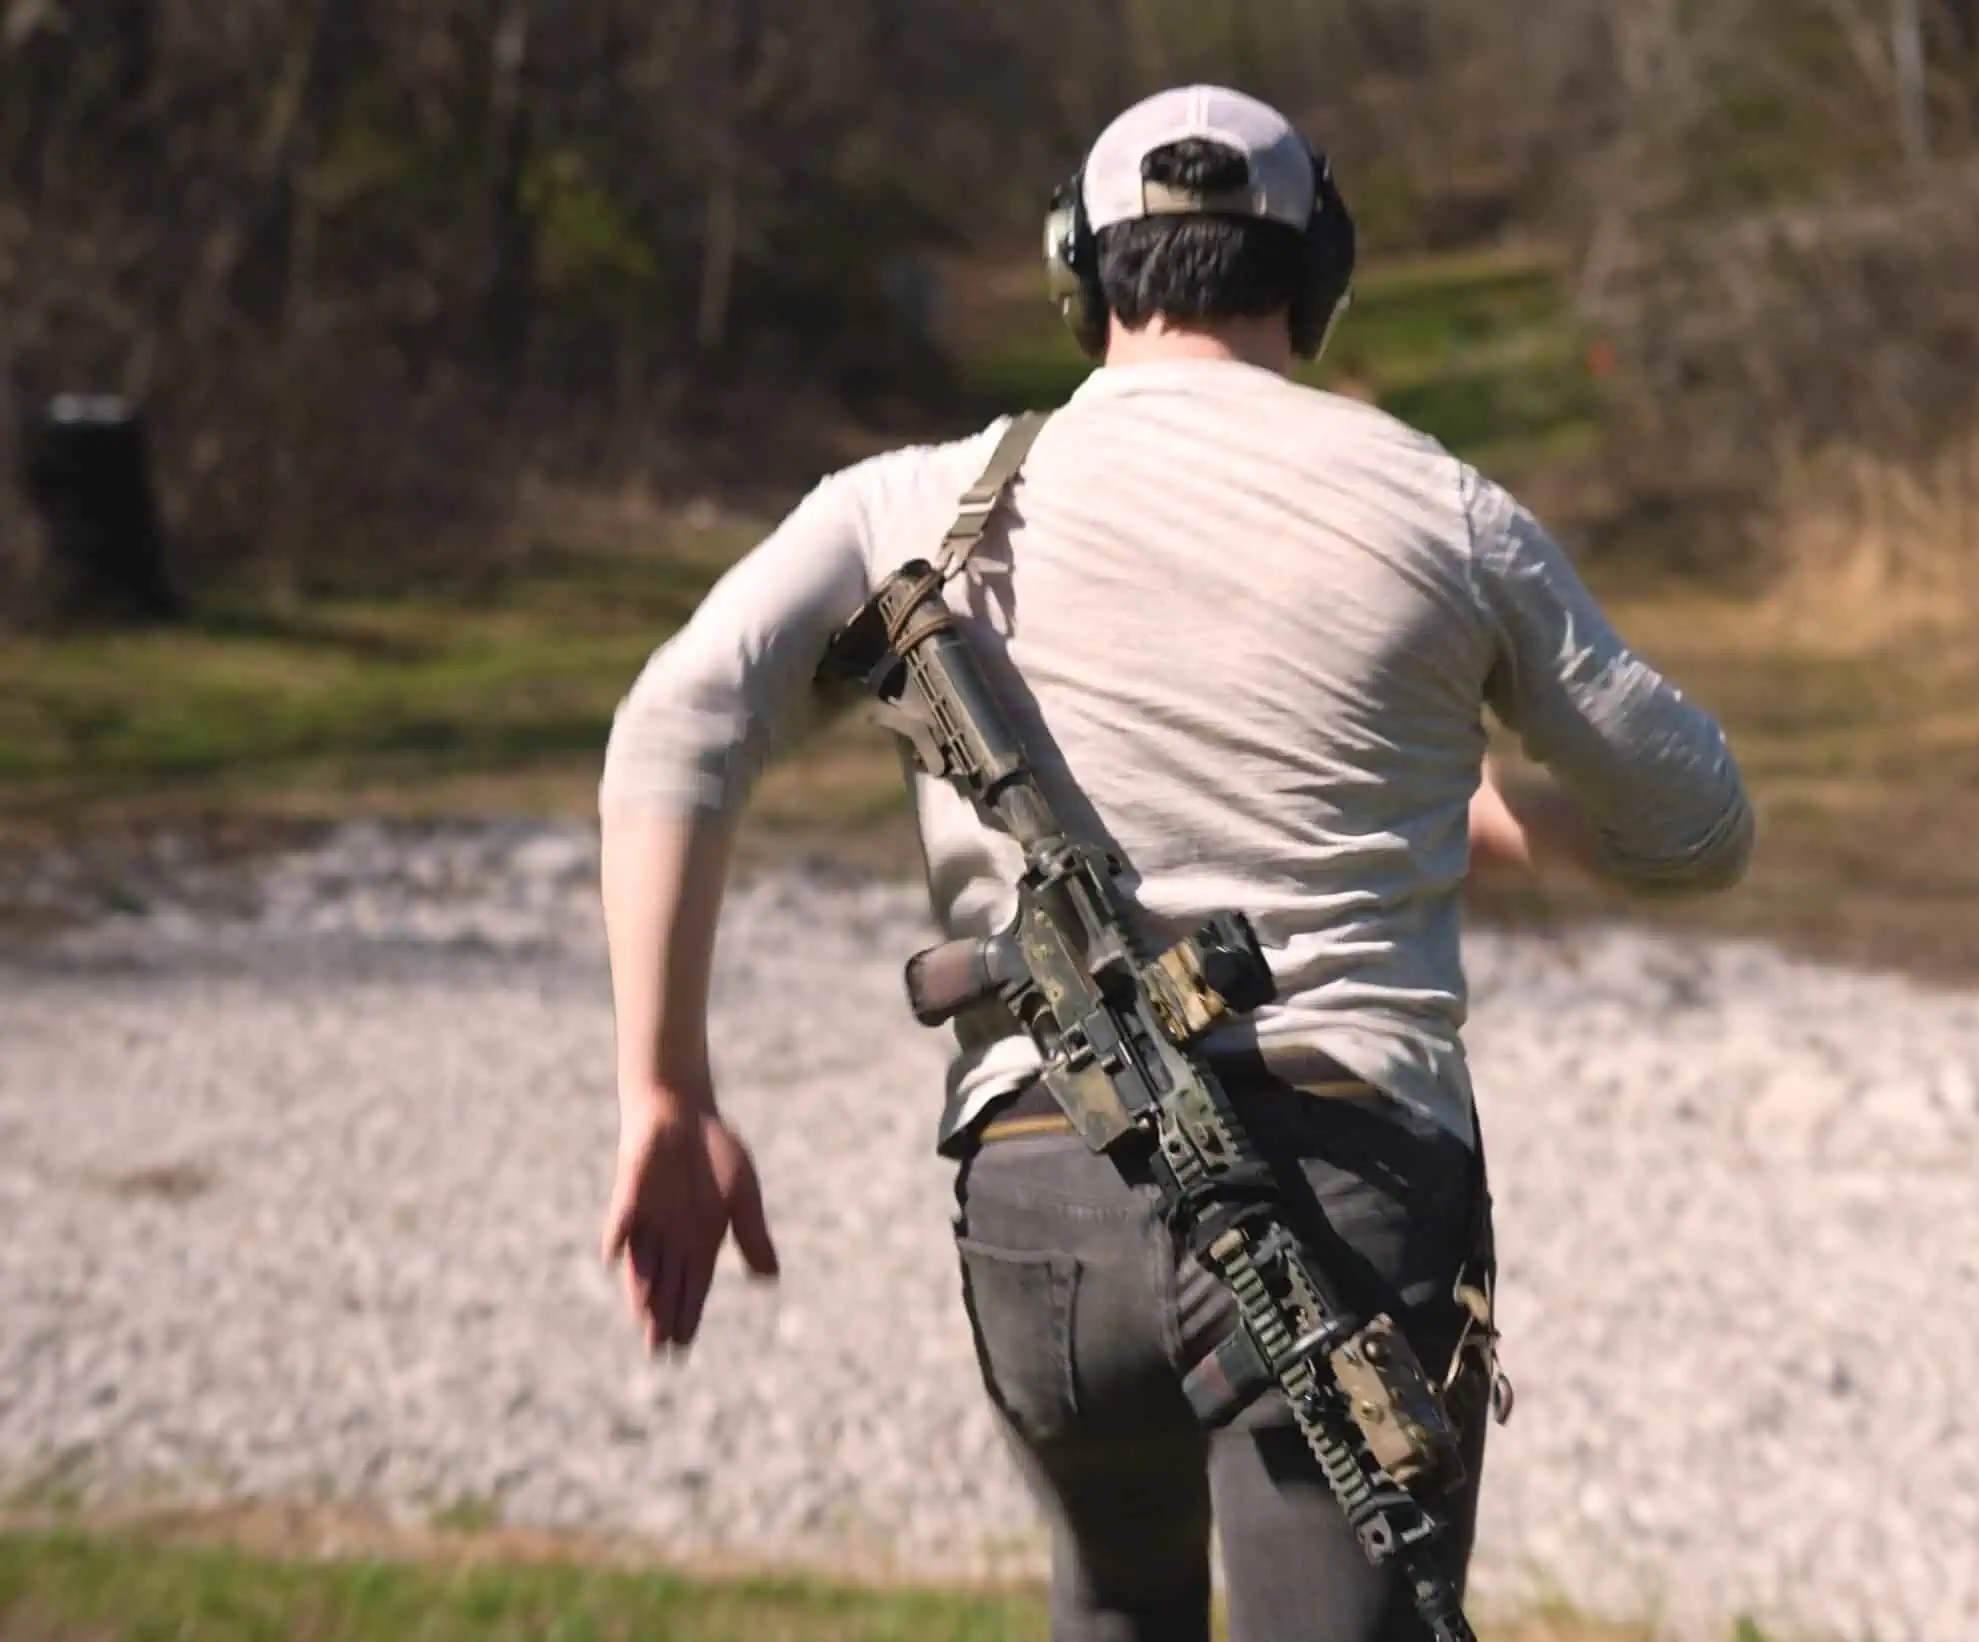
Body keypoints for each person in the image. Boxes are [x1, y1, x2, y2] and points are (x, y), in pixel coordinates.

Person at [592, 84, 1753, 1642]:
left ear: (1082, 270)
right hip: (1346, 1202)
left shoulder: (914, 504)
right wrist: (1500, 823)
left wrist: (666, 1094)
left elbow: (676, 723)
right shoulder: (1443, 511)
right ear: (1316, 271)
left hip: (1042, 1195)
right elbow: (1695, 823)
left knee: (1111, 1605)